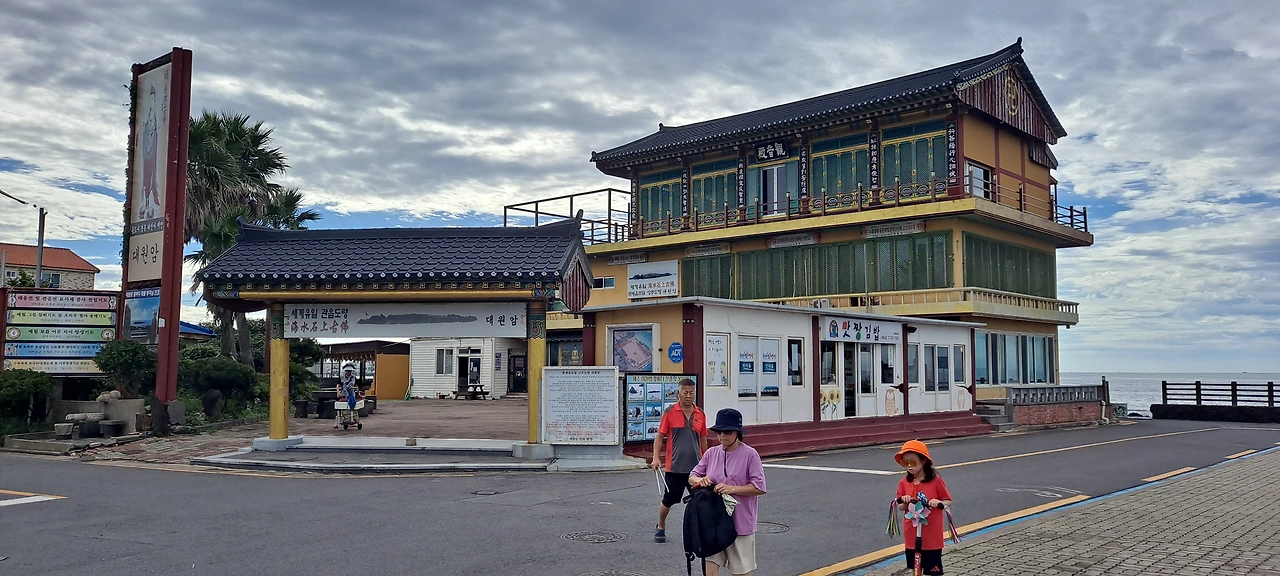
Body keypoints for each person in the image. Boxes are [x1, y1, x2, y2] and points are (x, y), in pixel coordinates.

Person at [689, 408, 767, 576]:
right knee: (710, 571)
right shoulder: (711, 453)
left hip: (740, 523)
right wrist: (701, 480)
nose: (722, 436)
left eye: (727, 432)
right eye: (719, 432)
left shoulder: (750, 455)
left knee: (740, 572)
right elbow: (692, 476)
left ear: (738, 432)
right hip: (713, 521)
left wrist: (732, 489)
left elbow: (759, 487)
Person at [651, 378, 708, 543]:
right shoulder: (670, 412)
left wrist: (707, 460)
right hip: (674, 467)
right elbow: (660, 436)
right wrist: (655, 457)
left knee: (701, 500)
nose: (689, 396)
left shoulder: (700, 414)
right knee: (668, 500)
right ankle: (661, 526)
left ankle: (701, 531)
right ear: (679, 393)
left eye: (691, 393)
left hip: (696, 469)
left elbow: (703, 439)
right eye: (685, 392)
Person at [893, 440, 953, 576]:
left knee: (933, 570)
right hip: (912, 533)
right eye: (905, 463)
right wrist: (905, 500)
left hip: (931, 536)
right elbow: (901, 507)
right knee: (915, 568)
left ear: (923, 461)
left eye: (913, 462)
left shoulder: (936, 481)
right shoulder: (904, 482)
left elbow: (948, 501)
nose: (909, 466)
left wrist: (938, 502)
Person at [334, 363, 359, 429]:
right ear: (345, 371)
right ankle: (336, 422)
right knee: (339, 407)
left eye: (350, 371)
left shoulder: (353, 378)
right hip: (343, 393)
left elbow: (356, 386)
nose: (349, 372)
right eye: (347, 371)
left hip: (351, 394)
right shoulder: (342, 378)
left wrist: (358, 392)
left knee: (353, 405)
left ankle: (353, 419)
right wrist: (338, 392)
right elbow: (338, 385)